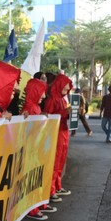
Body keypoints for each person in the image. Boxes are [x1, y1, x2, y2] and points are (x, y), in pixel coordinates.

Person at [21, 78, 57, 220]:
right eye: (41, 92)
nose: (44, 96)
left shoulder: (34, 107)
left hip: (37, 148)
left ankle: (38, 204)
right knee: (33, 179)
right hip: (32, 150)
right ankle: (32, 208)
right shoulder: (29, 108)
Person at [43, 74, 73, 202]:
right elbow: (48, 118)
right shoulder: (52, 99)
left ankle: (57, 186)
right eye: (65, 89)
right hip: (56, 133)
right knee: (55, 161)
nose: (67, 91)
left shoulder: (63, 99)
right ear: (59, 85)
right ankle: (51, 190)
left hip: (63, 132)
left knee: (60, 161)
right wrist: (65, 113)